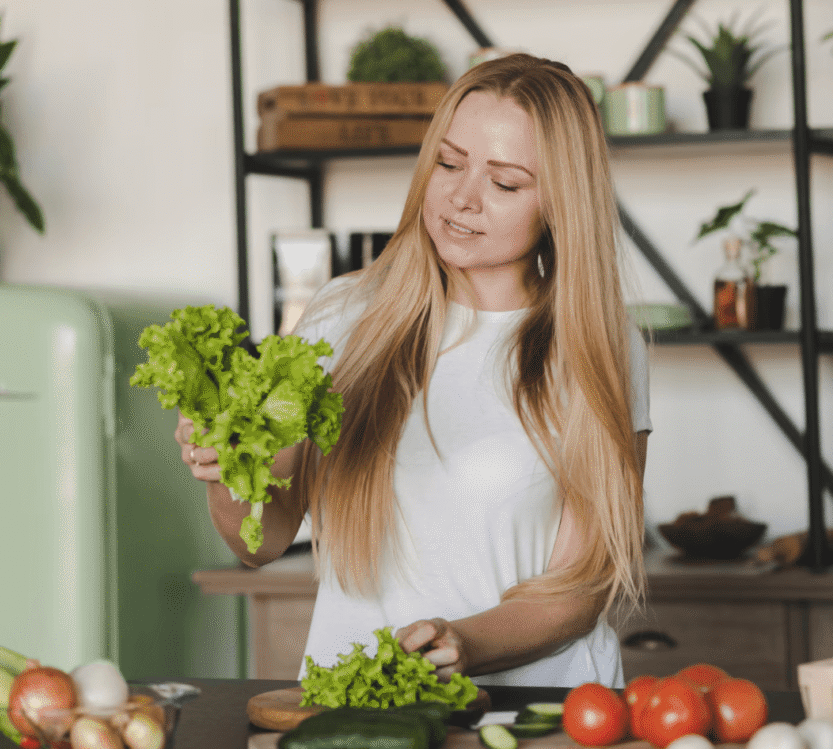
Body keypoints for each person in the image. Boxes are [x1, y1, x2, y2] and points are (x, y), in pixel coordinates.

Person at [175, 53, 651, 688]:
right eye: (449, 164)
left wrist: (462, 643)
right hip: (356, 710)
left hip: (538, 714)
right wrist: (226, 466)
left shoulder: (599, 344)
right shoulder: (343, 316)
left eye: (505, 183)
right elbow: (259, 543)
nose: (461, 197)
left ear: (561, 203)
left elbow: (581, 587)